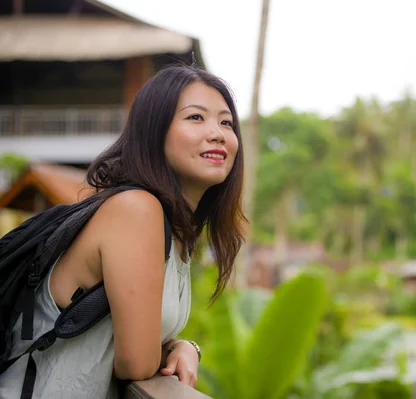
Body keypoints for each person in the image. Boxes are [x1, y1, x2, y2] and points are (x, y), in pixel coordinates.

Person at [0, 64, 247, 398]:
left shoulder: (175, 231)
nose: (218, 133)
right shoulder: (136, 210)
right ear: (154, 131)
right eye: (195, 117)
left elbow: (125, 336)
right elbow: (134, 364)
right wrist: (173, 349)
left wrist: (183, 346)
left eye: (226, 122)